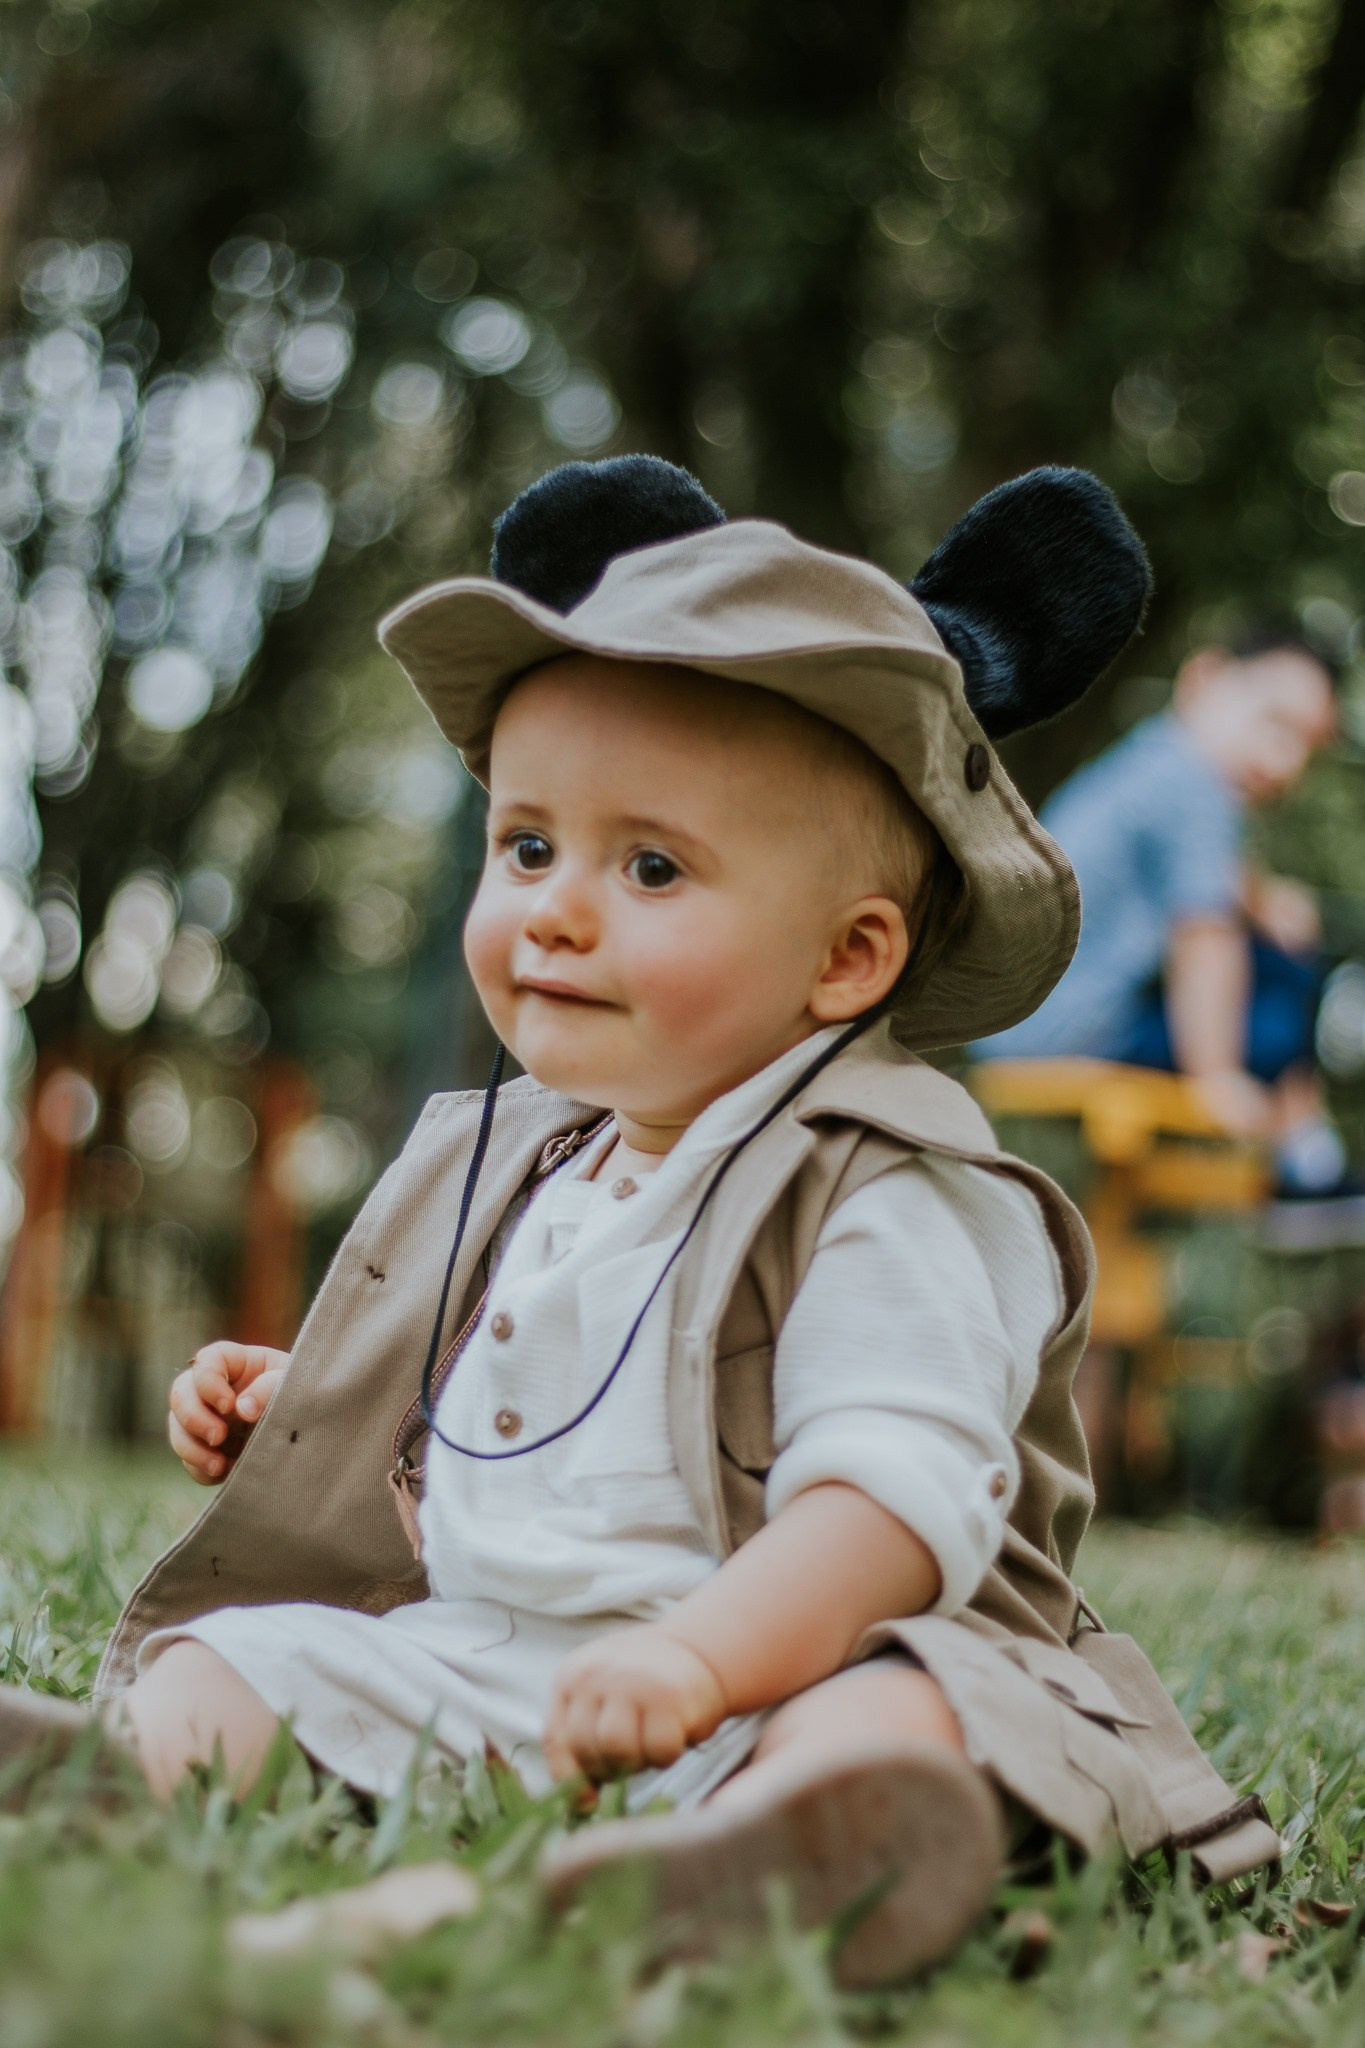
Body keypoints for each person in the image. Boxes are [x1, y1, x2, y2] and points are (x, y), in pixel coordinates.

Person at [0, 458, 1281, 1985]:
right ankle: (128, 1778)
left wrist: (700, 1662)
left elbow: (892, 1506)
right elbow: (533, 1407)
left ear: (849, 958)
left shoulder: (888, 1190)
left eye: (651, 865)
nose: (553, 906)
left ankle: (768, 1853)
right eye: (528, 845)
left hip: (788, 1671)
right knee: (243, 1659)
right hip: (506, 1668)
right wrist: (317, 1406)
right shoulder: (554, 1163)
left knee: (919, 1712)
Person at [976, 631, 1343, 1186]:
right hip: (1070, 1032)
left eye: (1305, 749)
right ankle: (1304, 1164)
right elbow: (1204, 935)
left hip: (1012, 1022)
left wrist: (1265, 901)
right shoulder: (1196, 784)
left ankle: (1306, 1147)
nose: (1285, 761)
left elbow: (1211, 882)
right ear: (1204, 680)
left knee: (1281, 950)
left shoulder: (1153, 761)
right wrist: (1214, 1076)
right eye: (1276, 723)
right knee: (1291, 987)